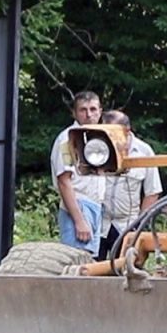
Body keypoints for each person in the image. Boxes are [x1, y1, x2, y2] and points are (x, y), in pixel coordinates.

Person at [50, 91, 112, 256]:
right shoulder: (67, 140)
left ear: (100, 111)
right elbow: (64, 181)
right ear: (74, 113)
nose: (89, 114)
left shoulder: (96, 139)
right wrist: (79, 220)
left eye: (93, 109)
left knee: (89, 261)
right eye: (83, 110)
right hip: (78, 205)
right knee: (76, 260)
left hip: (95, 205)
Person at [98, 109, 163, 259]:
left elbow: (152, 191)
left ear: (126, 130)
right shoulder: (96, 148)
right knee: (92, 269)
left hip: (126, 226)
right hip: (99, 224)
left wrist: (139, 224)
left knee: (122, 272)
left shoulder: (144, 151)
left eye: (111, 131)